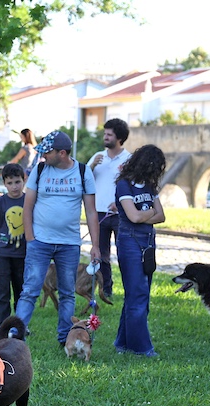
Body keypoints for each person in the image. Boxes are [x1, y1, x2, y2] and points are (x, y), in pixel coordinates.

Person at [15, 130, 100, 344]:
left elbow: (91, 211)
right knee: (30, 290)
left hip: (69, 244)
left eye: (48, 152)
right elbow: (28, 206)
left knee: (67, 293)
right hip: (40, 242)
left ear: (62, 153)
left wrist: (95, 245)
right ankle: (16, 336)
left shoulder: (82, 172)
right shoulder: (40, 169)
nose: (43, 156)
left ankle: (65, 337)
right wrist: (31, 238)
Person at [113, 145, 167, 357]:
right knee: (138, 294)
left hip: (148, 242)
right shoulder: (124, 185)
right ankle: (142, 348)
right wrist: (149, 212)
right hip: (129, 241)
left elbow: (161, 216)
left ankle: (123, 343)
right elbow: (133, 217)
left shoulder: (150, 186)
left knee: (138, 295)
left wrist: (144, 213)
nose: (156, 170)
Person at [87, 118, 131, 301]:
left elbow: (132, 186)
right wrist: (91, 166)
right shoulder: (98, 156)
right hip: (98, 213)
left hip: (121, 213)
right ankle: (106, 290)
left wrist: (119, 203)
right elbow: (83, 180)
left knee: (125, 253)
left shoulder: (129, 159)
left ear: (119, 137)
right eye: (104, 133)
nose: (105, 137)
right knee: (101, 254)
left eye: (109, 134)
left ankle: (129, 288)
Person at [0, 163, 27, 327]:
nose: (14, 187)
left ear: (24, 180)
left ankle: (20, 324)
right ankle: (2, 324)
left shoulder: (29, 201)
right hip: (3, 254)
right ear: (4, 183)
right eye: (10, 183)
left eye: (17, 182)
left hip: (24, 254)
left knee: (21, 290)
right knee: (2, 291)